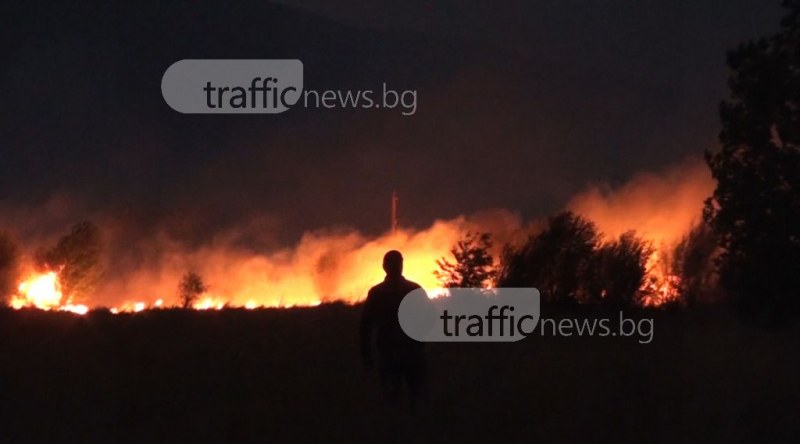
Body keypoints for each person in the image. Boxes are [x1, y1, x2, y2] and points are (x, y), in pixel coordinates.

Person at [360, 250, 427, 404]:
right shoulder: (414, 289)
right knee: (416, 397)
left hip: (388, 352)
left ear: (384, 267)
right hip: (412, 352)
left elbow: (365, 325)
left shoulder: (377, 292)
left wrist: (367, 354)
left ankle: (395, 425)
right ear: (401, 265)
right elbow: (428, 320)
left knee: (392, 397)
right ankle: (417, 425)